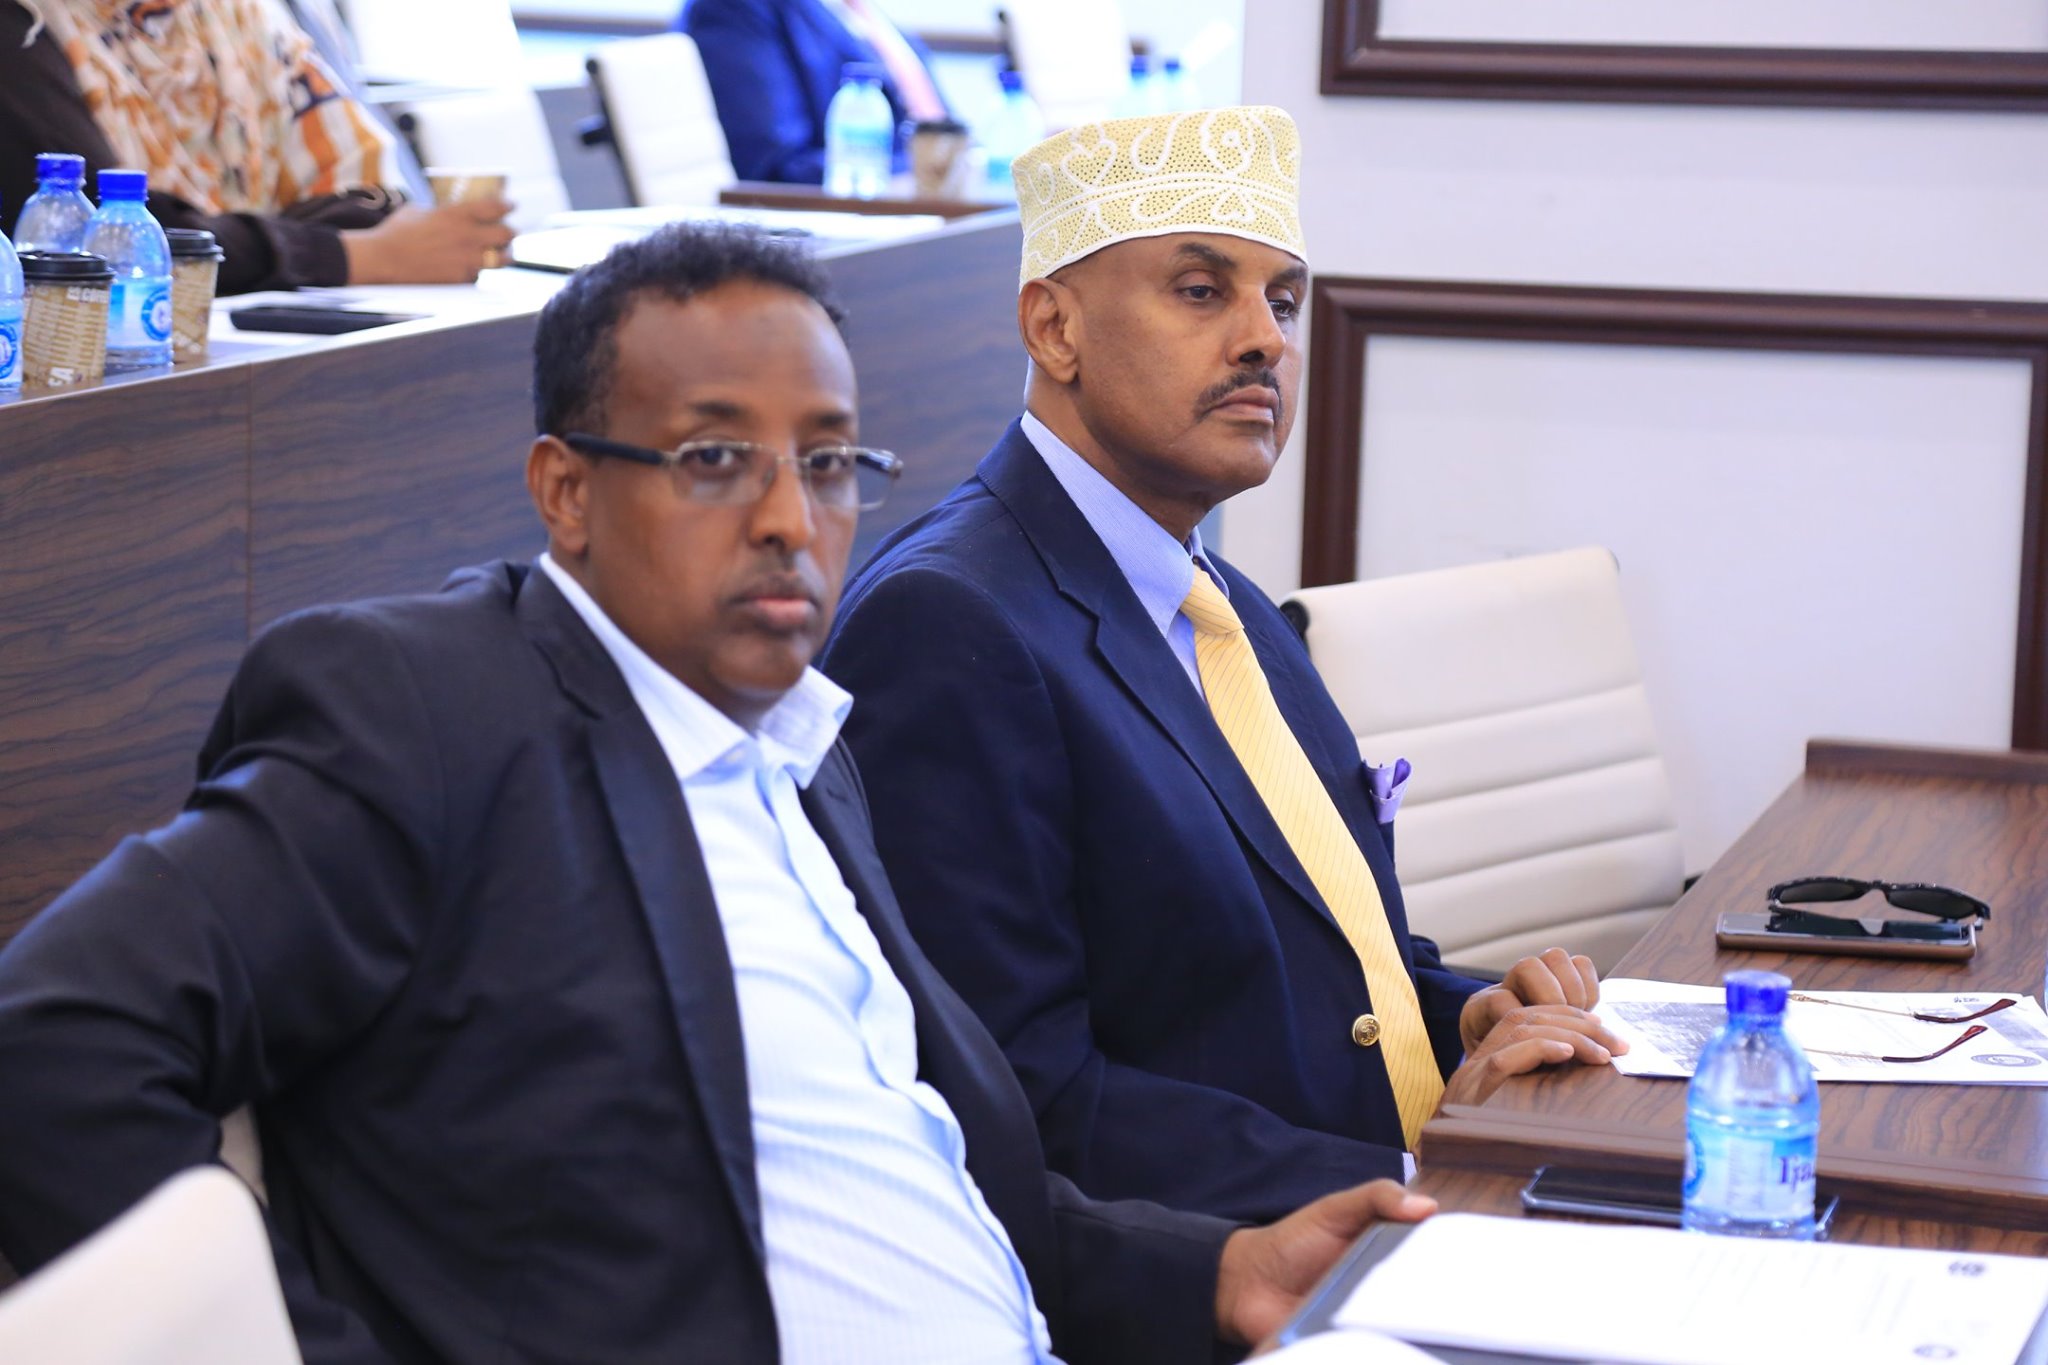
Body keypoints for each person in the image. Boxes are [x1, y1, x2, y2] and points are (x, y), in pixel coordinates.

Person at [0, 221, 1436, 1364]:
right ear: (565, 491)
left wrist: (1218, 1268)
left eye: (829, 463)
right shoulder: (426, 708)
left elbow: (915, 1178)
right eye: (712, 460)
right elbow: (49, 1045)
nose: (787, 519)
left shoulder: (803, 757)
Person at [819, 106, 1628, 1224]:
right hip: (1223, 1269)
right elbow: (1016, 1096)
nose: (1266, 341)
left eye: (1282, 301)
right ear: (1053, 328)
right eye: (1202, 292)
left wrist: (1467, 1021)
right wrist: (1413, 1181)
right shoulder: (948, 624)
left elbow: (1312, 969)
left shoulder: (1220, 601)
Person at [0, 0, 512, 292]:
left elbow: (365, 194)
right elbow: (103, 239)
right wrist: (358, 257)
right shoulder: (23, 23)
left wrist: (256, 249)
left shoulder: (239, 14)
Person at [680, 0, 948, 184]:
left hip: (932, 210)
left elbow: (940, 124)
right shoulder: (735, 8)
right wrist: (930, 171)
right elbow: (776, 168)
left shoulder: (861, 12)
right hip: (838, 221)